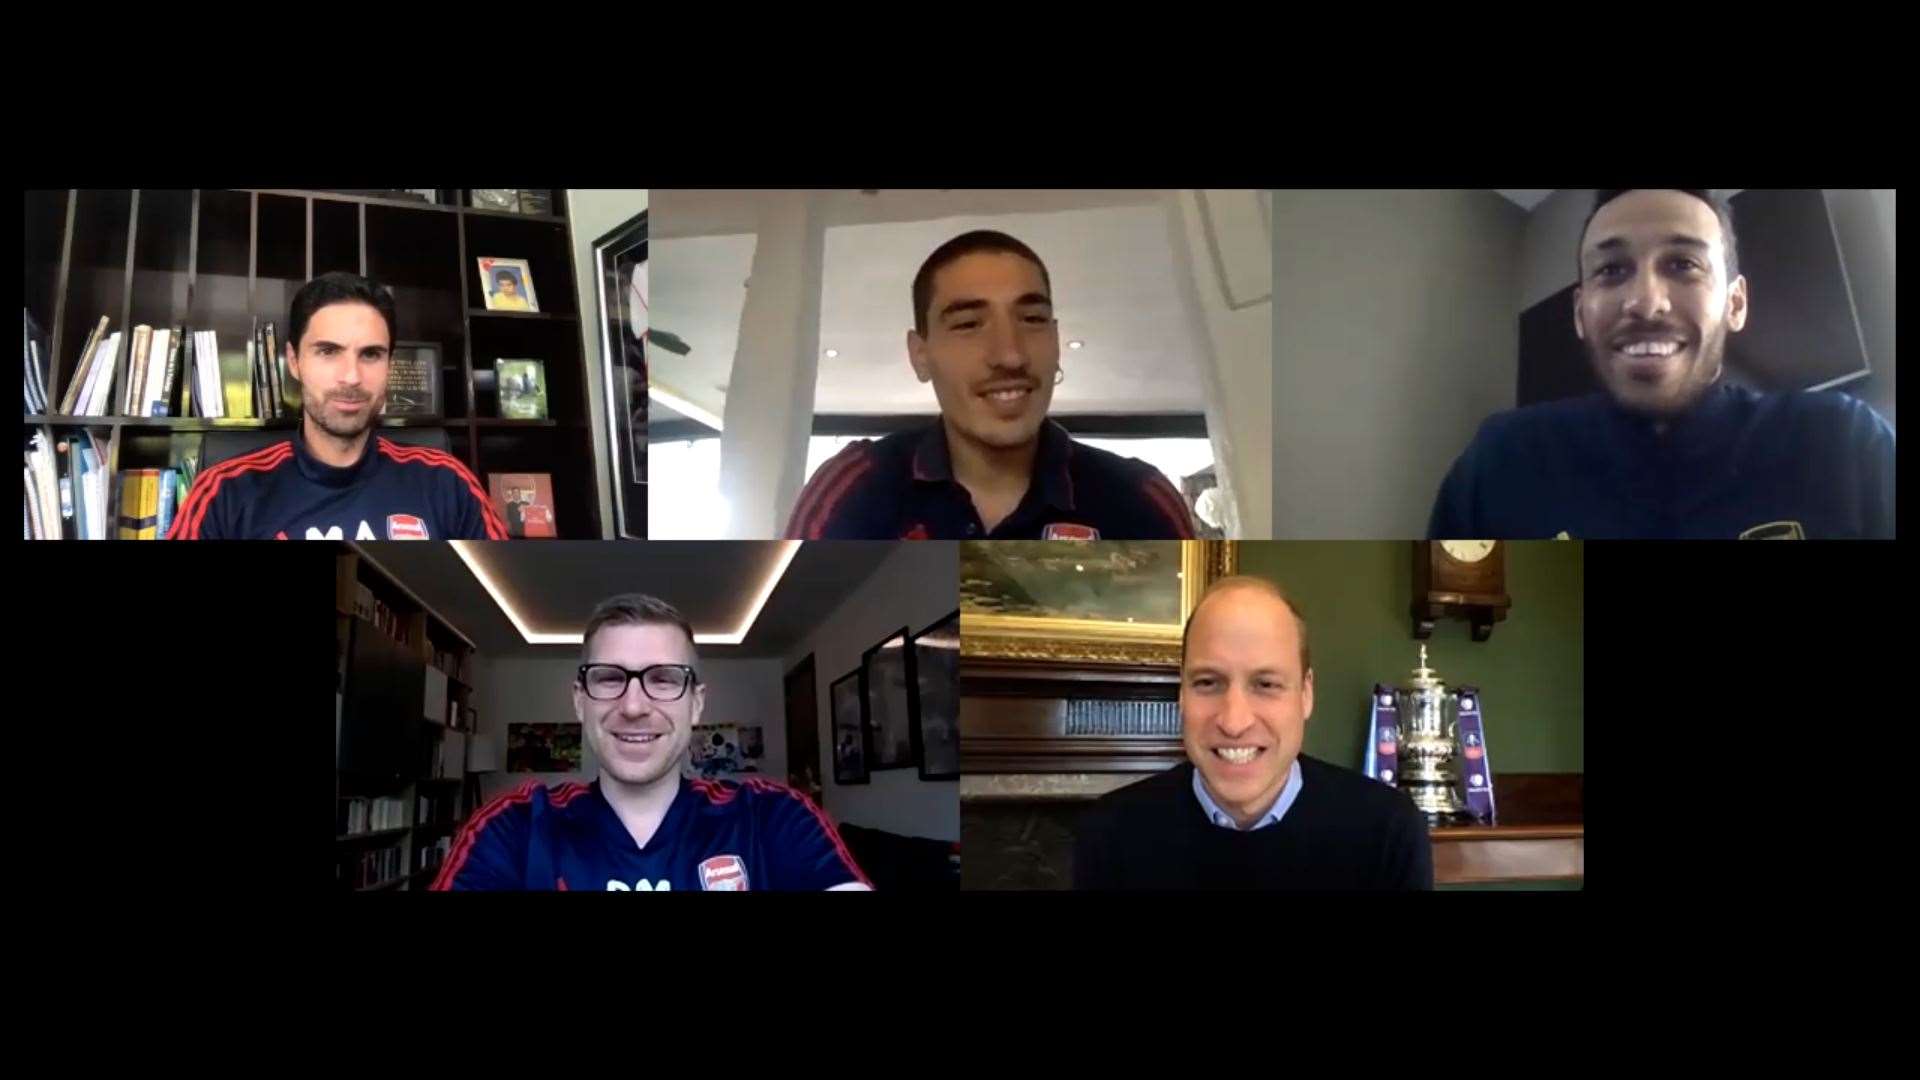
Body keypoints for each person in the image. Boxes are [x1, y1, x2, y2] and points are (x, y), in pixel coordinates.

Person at [1430, 188, 1895, 539]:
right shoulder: (1499, 464)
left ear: (1735, 304)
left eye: (1683, 265)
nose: (1646, 303)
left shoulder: (1847, 445)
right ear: (1579, 313)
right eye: (1612, 270)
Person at [432, 594, 872, 891]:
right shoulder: (514, 826)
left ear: (696, 705)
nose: (635, 705)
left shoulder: (775, 816)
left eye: (663, 679)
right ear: (580, 701)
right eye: (609, 678)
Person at [785, 230, 1197, 540]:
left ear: (1056, 339)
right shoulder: (854, 491)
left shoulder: (1141, 501)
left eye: (1032, 320)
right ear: (920, 354)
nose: (1011, 355)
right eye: (968, 324)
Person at [1072, 577, 1433, 890]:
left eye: (1265, 684)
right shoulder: (1109, 835)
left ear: (1306, 694)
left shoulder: (1388, 831)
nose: (1234, 721)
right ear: (1181, 693)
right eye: (1208, 683)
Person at [168, 272, 506, 540]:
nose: (351, 376)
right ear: (294, 361)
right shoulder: (223, 492)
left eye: (371, 354)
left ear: (389, 364)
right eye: (328, 351)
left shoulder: (448, 483)